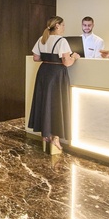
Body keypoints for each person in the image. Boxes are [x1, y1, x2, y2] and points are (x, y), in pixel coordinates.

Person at [28, 16, 80, 151]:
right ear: (57, 26)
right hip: (56, 75)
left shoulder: (41, 39)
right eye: (63, 25)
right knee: (56, 105)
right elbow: (67, 62)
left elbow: (36, 58)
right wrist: (74, 56)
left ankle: (46, 135)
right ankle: (55, 138)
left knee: (44, 102)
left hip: (43, 72)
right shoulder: (62, 41)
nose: (64, 28)